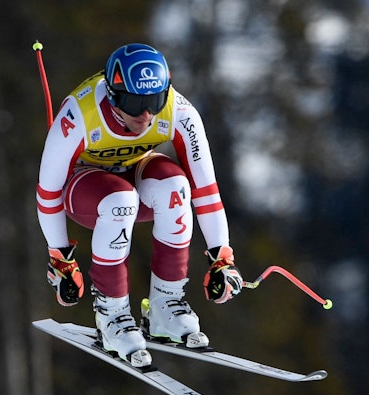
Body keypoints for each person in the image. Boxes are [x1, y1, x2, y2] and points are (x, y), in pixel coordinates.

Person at [37, 43, 243, 367]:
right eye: (135, 103)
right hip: (85, 188)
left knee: (176, 187)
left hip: (134, 171)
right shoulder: (80, 115)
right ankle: (112, 316)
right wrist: (60, 258)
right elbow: (48, 193)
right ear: (114, 94)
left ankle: (166, 306)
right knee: (120, 199)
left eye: (154, 101)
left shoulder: (179, 111)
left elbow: (206, 189)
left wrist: (222, 256)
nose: (146, 115)